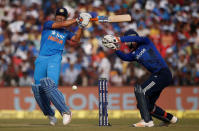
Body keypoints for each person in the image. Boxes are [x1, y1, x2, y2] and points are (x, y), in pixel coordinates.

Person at [102, 29, 178, 127]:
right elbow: (125, 57)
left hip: (162, 73)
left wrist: (118, 38)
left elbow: (134, 38)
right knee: (146, 106)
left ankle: (147, 121)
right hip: (158, 75)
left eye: (129, 41)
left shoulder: (146, 42)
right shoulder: (134, 54)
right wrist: (116, 49)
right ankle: (170, 118)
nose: (128, 44)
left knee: (140, 90)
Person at [31, 7, 91, 126]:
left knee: (49, 85)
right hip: (41, 58)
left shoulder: (66, 32)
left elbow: (76, 39)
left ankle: (66, 112)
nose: (60, 17)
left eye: (63, 16)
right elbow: (63, 24)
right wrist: (77, 19)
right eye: (58, 15)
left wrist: (81, 26)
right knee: (37, 89)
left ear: (65, 17)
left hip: (54, 59)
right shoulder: (48, 24)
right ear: (55, 16)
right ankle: (50, 114)